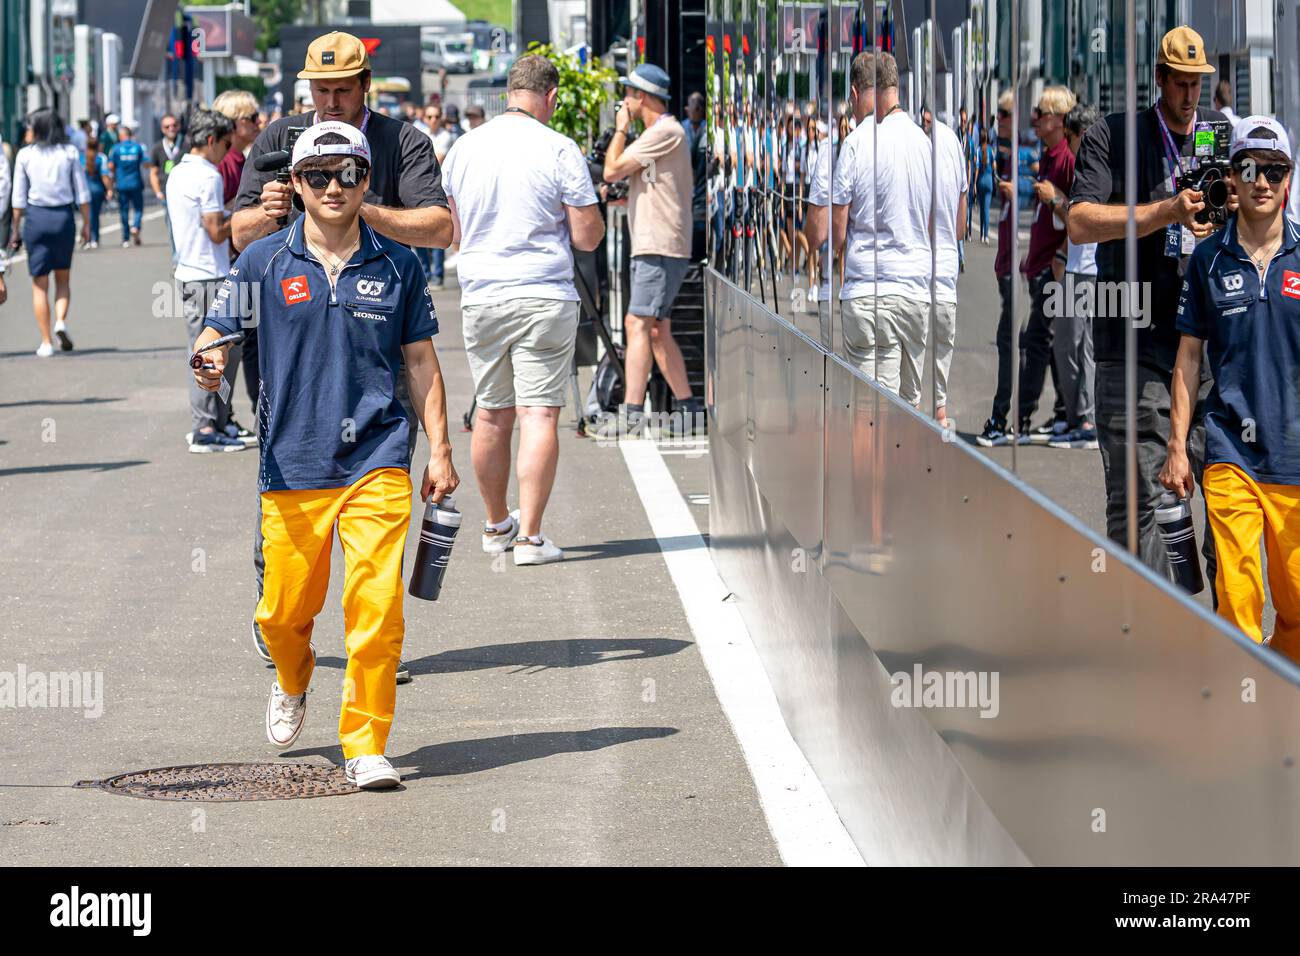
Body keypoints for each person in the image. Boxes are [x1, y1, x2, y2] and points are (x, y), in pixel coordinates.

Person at [193, 122, 458, 788]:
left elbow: (421, 361)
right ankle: (293, 677)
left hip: (378, 455)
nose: (333, 187)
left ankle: (365, 742)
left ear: (367, 181)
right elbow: (217, 328)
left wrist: (440, 450)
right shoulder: (263, 261)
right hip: (294, 462)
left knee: (376, 608)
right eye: (318, 175)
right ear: (296, 184)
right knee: (282, 615)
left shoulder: (399, 265)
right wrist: (209, 358)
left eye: (348, 174)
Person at [233, 31, 452, 677]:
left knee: (379, 505)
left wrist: (348, 207)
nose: (329, 101)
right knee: (286, 490)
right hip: (291, 345)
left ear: (365, 86)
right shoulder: (279, 139)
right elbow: (237, 232)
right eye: (320, 89)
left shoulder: (401, 141)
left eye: (342, 89)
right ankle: (278, 614)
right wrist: (274, 211)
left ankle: (373, 636)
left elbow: (440, 225)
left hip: (377, 353)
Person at [1069, 24, 1223, 584]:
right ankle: (1152, 623)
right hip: (1132, 340)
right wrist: (1166, 212)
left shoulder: (1218, 136)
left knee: (1227, 498)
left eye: (1197, 83)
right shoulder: (1114, 135)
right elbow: (1080, 221)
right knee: (1137, 507)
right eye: (1180, 83)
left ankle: (1222, 621)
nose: (1190, 95)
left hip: (1206, 346)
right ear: (1159, 79)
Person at [441, 53, 605, 565]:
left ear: (508, 94)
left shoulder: (464, 148)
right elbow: (587, 236)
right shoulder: (559, 148)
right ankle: (531, 539)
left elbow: (452, 233)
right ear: (550, 96)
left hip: (483, 293)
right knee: (539, 414)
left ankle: (496, 525)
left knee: (491, 414)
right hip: (544, 293)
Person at [1162, 117, 1297, 659]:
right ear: (1231, 178)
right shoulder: (1208, 260)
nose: (1261, 181)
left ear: (1288, 180)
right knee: (1238, 595)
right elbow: (1188, 358)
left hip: (1293, 458)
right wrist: (1177, 447)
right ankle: (1243, 693)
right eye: (1248, 168)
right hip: (1229, 450)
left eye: (1274, 171)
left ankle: (1279, 683)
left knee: (1295, 607)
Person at [602, 62, 702, 435]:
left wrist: (620, 128)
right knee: (657, 329)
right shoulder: (663, 134)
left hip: (658, 245)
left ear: (641, 97)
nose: (624, 102)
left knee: (637, 323)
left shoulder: (665, 131)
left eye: (628, 94)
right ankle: (689, 409)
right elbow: (657, 187)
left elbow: (612, 169)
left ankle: (631, 413)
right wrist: (625, 199)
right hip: (659, 242)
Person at [833, 51, 933, 405]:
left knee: (870, 410)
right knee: (908, 407)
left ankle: (872, 445)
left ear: (857, 93)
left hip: (868, 290)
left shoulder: (857, 142)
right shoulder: (924, 143)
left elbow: (837, 232)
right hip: (915, 290)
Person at [168, 109, 246, 454]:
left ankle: (213, 421)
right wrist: (244, 218)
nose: (227, 152)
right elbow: (216, 231)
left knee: (203, 349)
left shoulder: (178, 172)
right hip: (211, 274)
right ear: (212, 140)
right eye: (226, 144)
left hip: (188, 271)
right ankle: (206, 426)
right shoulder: (208, 175)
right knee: (217, 350)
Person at [1008, 85, 1078, 444]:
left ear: (1060, 120)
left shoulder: (1067, 159)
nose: (1035, 119)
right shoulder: (1049, 155)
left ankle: (1022, 416)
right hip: (1042, 265)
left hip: (1055, 268)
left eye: (1042, 113)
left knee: (1035, 339)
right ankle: (1064, 411)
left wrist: (1058, 254)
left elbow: (1078, 217)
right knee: (1050, 343)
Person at [9, 108, 91, 357]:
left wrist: (15, 229)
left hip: (36, 218)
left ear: (39, 128)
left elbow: (18, 198)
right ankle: (61, 321)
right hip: (63, 218)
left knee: (39, 284)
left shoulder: (25, 155)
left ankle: (46, 341)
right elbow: (82, 192)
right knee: (63, 278)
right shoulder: (69, 152)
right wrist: (87, 224)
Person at [1043, 103, 1101, 450]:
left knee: (1083, 346)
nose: (1067, 143)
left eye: (1070, 136)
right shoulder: (1084, 168)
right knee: (1068, 344)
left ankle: (1087, 419)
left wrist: (1056, 202)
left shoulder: (1098, 168)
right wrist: (1064, 254)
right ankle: (1079, 414)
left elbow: (1083, 220)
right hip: (1077, 266)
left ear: (1083, 134)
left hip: (1090, 270)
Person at [931, 104, 969, 426]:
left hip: (911, 270)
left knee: (909, 353)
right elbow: (960, 225)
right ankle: (939, 412)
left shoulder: (908, 141)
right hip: (944, 266)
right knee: (942, 348)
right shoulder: (953, 142)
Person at [211, 90, 261, 206]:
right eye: (252, 117)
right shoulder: (223, 162)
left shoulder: (238, 158)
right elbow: (216, 213)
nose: (258, 122)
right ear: (230, 122)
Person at [108, 125, 146, 247]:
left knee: (124, 210)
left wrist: (112, 181)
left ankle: (125, 238)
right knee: (138, 208)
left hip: (122, 183)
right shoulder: (138, 147)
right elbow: (145, 162)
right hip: (135, 182)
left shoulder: (116, 148)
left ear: (122, 135)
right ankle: (135, 226)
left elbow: (110, 166)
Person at [82, 137, 112, 249]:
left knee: (86, 215)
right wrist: (109, 189)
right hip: (97, 190)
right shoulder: (101, 158)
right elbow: (104, 176)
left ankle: (87, 238)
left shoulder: (82, 158)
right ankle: (95, 238)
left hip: (84, 190)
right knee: (95, 215)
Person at [976, 127, 995, 243]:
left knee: (981, 209)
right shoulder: (991, 150)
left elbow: (977, 167)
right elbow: (994, 165)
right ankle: (986, 235)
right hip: (989, 181)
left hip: (981, 181)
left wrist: (974, 183)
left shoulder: (978, 150)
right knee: (987, 209)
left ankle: (982, 234)